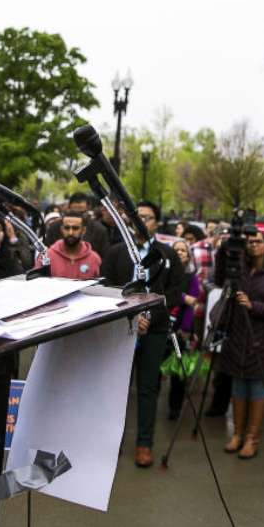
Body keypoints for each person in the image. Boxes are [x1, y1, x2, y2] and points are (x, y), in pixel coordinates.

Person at [101, 199, 186, 468]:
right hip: (121, 329)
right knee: (116, 388)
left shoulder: (167, 255)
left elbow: (173, 292)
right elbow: (109, 289)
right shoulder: (116, 253)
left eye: (147, 218)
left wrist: (149, 316)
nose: (141, 222)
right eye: (137, 217)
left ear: (156, 223)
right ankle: (110, 441)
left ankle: (144, 444)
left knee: (148, 388)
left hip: (155, 330)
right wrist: (131, 316)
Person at [216, 226, 264, 459]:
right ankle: (237, 434)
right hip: (237, 335)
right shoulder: (239, 271)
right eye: (250, 242)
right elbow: (219, 278)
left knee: (256, 387)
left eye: (258, 241)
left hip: (261, 338)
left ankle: (252, 439)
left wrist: (252, 305)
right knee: (237, 386)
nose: (253, 245)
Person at [167, 237, 202, 420]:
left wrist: (186, 329)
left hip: (181, 328)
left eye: (183, 250)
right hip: (163, 325)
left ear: (189, 256)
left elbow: (193, 301)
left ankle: (175, 407)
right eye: (177, 249)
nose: (180, 253)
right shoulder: (164, 273)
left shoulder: (191, 277)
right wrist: (181, 296)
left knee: (178, 371)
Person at [41, 210, 102, 280]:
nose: (70, 233)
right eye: (67, 228)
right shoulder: (46, 257)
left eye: (75, 228)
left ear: (83, 230)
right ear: (61, 229)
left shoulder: (94, 259)